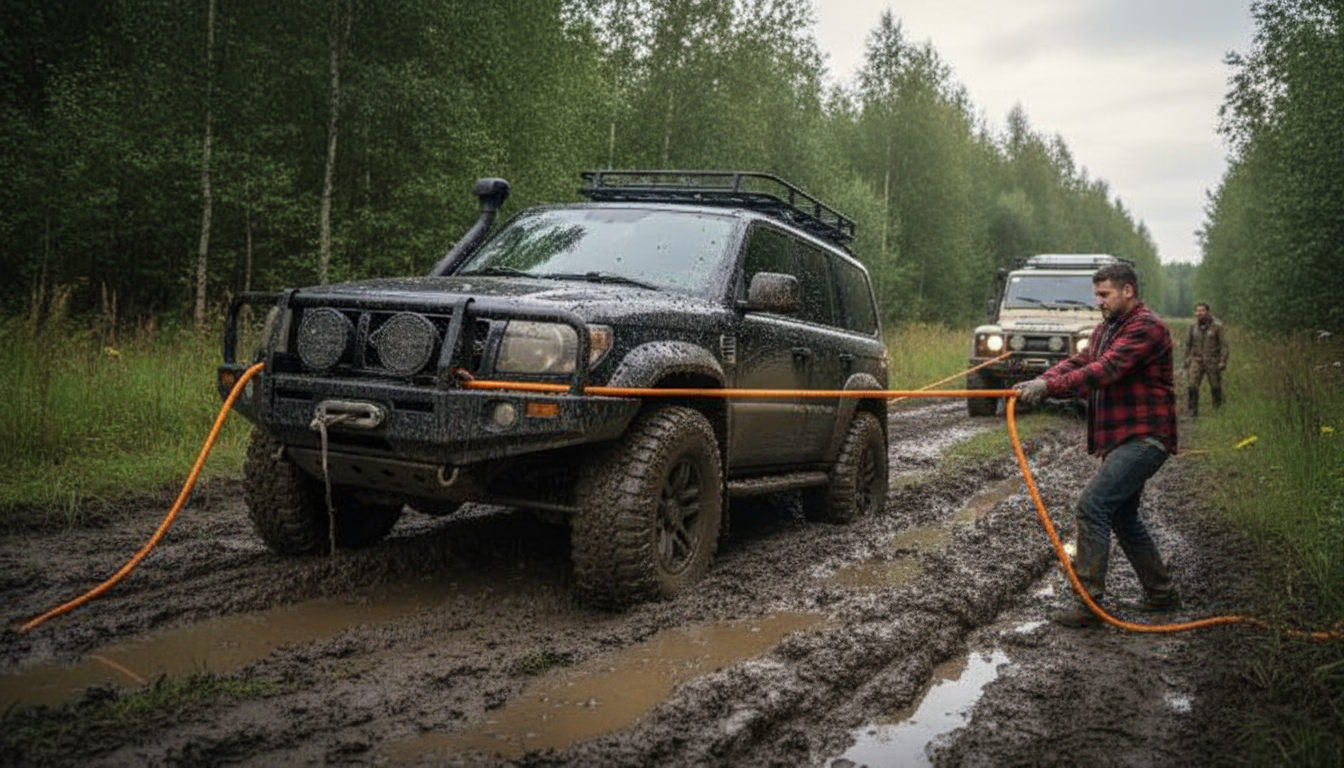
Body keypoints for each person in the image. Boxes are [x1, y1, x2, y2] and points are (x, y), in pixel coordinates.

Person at [1013, 262, 1181, 628]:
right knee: (1121, 514)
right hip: (1124, 439)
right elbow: (1082, 360)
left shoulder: (1146, 327)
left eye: (1104, 294)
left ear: (1128, 291)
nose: (1098, 301)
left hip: (1146, 437)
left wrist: (1051, 388)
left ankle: (1089, 604)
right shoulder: (1109, 328)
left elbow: (1105, 370)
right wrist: (1042, 378)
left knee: (1092, 507)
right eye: (1097, 294)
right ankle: (1162, 594)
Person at [1183, 302, 1229, 416]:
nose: (1199, 313)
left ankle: (1218, 409)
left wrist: (1223, 361)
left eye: (1202, 310)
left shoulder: (1217, 326)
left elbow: (1224, 345)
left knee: (1215, 385)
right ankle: (1192, 411)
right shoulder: (1192, 327)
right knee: (1192, 384)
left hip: (1212, 360)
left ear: (1208, 312)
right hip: (1196, 359)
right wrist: (1186, 359)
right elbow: (1188, 344)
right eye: (1197, 311)